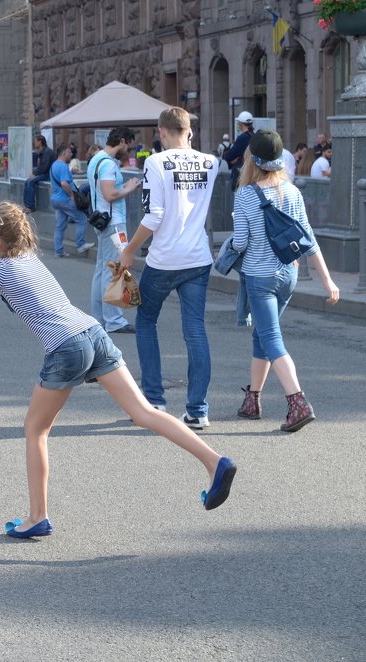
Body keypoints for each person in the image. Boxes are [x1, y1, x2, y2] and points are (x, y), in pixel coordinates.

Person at [0, 201, 238, 537]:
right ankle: (213, 461)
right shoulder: (27, 258)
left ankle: (37, 517)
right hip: (93, 333)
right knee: (144, 412)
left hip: (66, 346)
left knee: (35, 430)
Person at [230, 130, 340, 432]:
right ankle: (252, 399)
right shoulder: (292, 191)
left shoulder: (246, 195)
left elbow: (240, 243)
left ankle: (297, 401)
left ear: (252, 158)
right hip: (288, 275)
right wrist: (327, 280)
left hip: (260, 276)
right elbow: (309, 238)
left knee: (270, 338)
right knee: (263, 335)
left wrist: (231, 239)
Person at [119, 107, 217, 429]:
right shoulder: (210, 162)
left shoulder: (156, 162)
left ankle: (154, 400)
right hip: (198, 257)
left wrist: (129, 250)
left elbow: (154, 216)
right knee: (195, 330)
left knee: (146, 321)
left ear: (161, 132)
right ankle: (197, 409)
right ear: (189, 131)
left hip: (164, 258)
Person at [86, 127, 141, 334]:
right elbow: (109, 194)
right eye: (129, 145)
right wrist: (128, 187)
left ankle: (99, 318)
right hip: (114, 223)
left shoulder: (96, 160)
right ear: (122, 141)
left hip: (102, 221)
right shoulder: (108, 163)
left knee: (102, 270)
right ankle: (114, 321)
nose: (129, 150)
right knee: (114, 270)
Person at [49, 144, 93, 257]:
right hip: (65, 199)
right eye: (69, 152)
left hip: (56, 199)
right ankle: (80, 245)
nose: (71, 154)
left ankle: (58, 251)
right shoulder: (63, 166)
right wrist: (71, 195)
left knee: (60, 226)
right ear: (64, 153)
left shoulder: (54, 165)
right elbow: (64, 183)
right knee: (82, 219)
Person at [24, 134, 56, 212]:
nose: (34, 143)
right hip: (44, 173)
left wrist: (34, 174)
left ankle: (31, 206)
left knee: (31, 181)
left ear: (40, 142)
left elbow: (44, 167)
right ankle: (27, 204)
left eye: (35, 141)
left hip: (48, 174)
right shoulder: (42, 152)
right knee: (27, 181)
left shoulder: (48, 152)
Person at [223, 111, 255, 189]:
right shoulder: (254, 136)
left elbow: (228, 157)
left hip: (241, 176)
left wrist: (236, 159)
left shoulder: (242, 137)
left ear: (241, 124)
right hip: (252, 174)